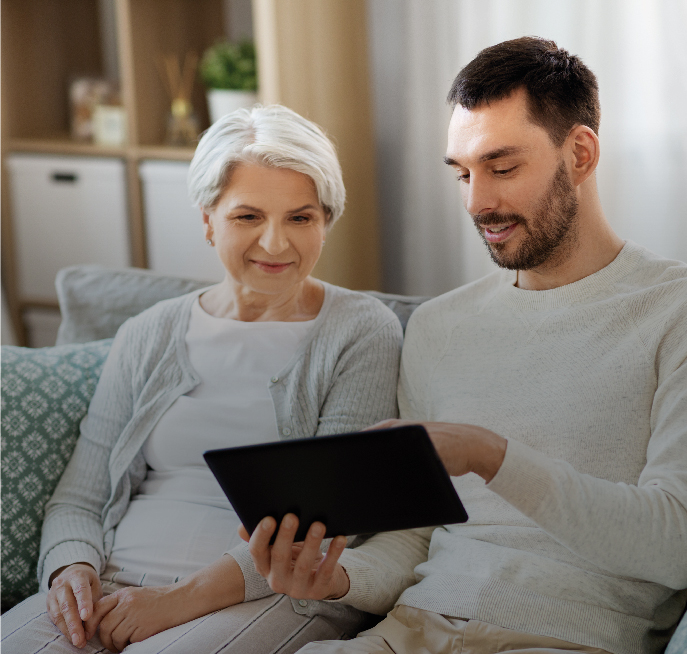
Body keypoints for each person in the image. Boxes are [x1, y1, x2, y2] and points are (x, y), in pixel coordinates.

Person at [239, 37, 687, 654]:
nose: (478, 202)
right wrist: (338, 578)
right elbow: (417, 539)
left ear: (581, 153)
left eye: (502, 168)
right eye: (462, 172)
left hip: (565, 638)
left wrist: (489, 454)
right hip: (409, 630)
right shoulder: (437, 327)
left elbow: (675, 548)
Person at [1, 104, 403, 653]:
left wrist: (176, 601)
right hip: (112, 583)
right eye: (248, 217)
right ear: (208, 218)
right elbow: (82, 494)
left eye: (300, 218)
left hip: (270, 597)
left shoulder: (362, 332)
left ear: (326, 222)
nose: (275, 244)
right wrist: (69, 569)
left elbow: (328, 519)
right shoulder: (148, 332)